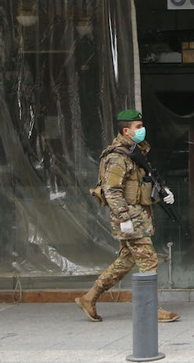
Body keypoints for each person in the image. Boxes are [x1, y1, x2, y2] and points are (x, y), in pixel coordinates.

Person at [76, 109, 181, 323]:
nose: (142, 130)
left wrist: (164, 191)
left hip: (139, 216)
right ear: (126, 130)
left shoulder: (135, 152)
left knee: (125, 262)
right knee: (149, 260)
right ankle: (151, 309)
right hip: (130, 218)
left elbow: (144, 181)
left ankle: (89, 298)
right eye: (138, 127)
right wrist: (124, 218)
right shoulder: (116, 157)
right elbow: (111, 191)